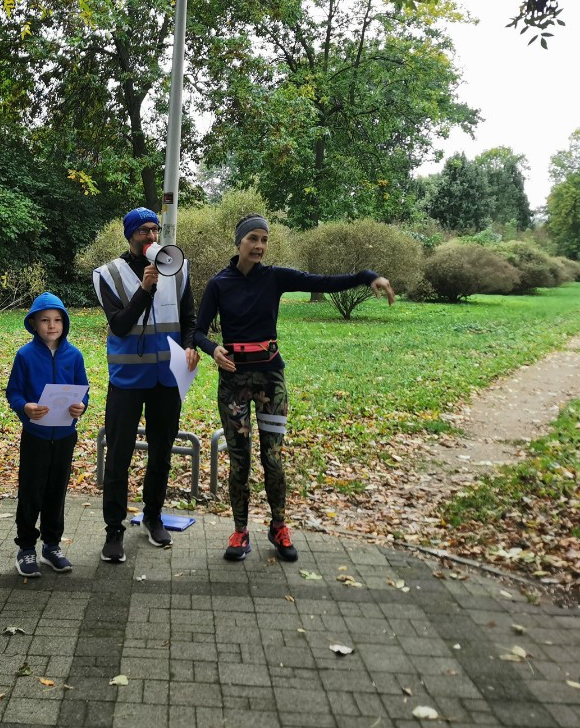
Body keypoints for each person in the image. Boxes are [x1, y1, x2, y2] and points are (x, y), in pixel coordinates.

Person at [194, 214, 395, 563]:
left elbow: (325, 281)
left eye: (264, 240)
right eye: (253, 239)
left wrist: (366, 276)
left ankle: (278, 526)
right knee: (240, 460)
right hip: (234, 384)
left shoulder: (275, 278)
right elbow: (196, 331)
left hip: (271, 380)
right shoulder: (218, 284)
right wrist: (213, 350)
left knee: (273, 458)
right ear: (239, 242)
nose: (259, 246)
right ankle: (240, 531)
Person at [93, 207, 199, 562]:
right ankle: (114, 531)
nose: (151, 237)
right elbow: (120, 326)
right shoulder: (107, 274)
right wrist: (144, 288)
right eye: (143, 232)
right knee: (119, 455)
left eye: (155, 230)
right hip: (127, 379)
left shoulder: (177, 268)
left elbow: (189, 319)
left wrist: (191, 345)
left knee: (161, 452)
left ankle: (153, 516)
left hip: (167, 378)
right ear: (129, 236)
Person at [5, 292, 89, 577]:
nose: (52, 326)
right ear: (34, 324)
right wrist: (25, 407)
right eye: (45, 320)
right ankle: (26, 548)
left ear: (64, 323)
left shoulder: (74, 355)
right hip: (35, 435)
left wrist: (81, 407)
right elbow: (13, 392)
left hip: (65, 435)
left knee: (56, 491)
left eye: (57, 320)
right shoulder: (25, 355)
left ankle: (51, 545)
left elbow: (83, 390)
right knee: (31, 491)